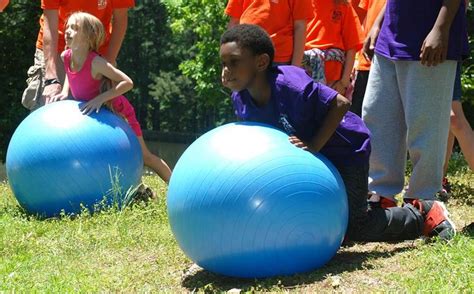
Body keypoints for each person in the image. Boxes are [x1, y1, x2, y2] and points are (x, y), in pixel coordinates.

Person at [219, 24, 456, 241]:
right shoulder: (240, 98)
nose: (226, 70)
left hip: (345, 152)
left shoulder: (288, 83)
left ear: (261, 62)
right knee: (326, 222)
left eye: (234, 62)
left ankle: (421, 214)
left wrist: (312, 146)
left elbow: (341, 103)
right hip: (309, 160)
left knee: (355, 228)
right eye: (223, 63)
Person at [361, 0, 469, 207]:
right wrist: (378, 22)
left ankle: (422, 198)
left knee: (426, 125)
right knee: (376, 115)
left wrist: (440, 28)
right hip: (390, 34)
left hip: (430, 38)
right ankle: (381, 194)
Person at [50, 12, 172, 186]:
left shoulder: (96, 63)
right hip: (95, 114)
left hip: (118, 113)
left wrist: (100, 99)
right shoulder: (66, 56)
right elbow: (71, 74)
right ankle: (137, 189)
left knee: (144, 156)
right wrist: (64, 91)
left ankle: (174, 186)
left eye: (75, 28)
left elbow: (127, 82)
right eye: (67, 26)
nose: (68, 31)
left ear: (89, 36)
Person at [22, 0, 134, 111]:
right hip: (56, 48)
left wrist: (106, 66)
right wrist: (51, 80)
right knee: (48, 105)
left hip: (98, 50)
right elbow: (50, 28)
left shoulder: (98, 61)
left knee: (100, 110)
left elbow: (120, 21)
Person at [303, 0, 364, 96]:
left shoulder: (344, 6)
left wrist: (343, 82)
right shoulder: (302, 3)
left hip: (334, 80)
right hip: (304, 72)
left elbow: (351, 47)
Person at [225, 0, 313, 66]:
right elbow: (234, 22)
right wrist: (228, 61)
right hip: (245, 55)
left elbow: (300, 26)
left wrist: (295, 69)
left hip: (279, 60)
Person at [441, 62, 474, 197]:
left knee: (453, 118)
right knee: (443, 114)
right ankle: (438, 178)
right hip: (415, 50)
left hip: (445, 49)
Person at [350, 0, 386, 117]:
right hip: (366, 61)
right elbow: (356, 16)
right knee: (358, 118)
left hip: (396, 59)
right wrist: (352, 57)